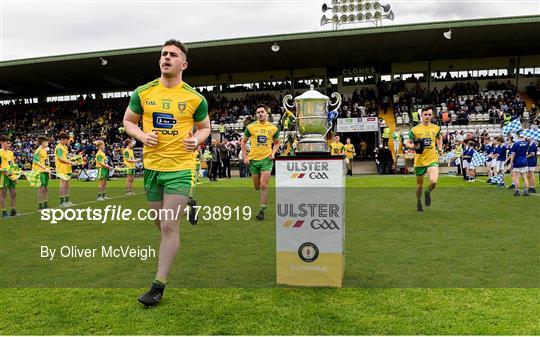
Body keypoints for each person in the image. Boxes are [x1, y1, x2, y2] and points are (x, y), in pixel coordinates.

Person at [123, 39, 210, 307]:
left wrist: (196, 140)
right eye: (163, 54)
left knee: (170, 226)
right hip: (152, 169)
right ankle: (188, 204)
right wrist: (140, 135)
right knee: (159, 224)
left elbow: (205, 127)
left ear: (183, 64)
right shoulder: (143, 92)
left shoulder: (195, 98)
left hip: (180, 168)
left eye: (173, 55)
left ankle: (157, 286)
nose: (166, 58)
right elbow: (128, 121)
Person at [241, 104, 279, 221]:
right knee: (257, 186)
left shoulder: (273, 128)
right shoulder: (251, 127)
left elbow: (277, 143)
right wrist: (245, 157)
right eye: (258, 112)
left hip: (267, 160)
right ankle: (258, 190)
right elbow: (243, 142)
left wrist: (273, 153)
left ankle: (262, 210)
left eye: (262, 112)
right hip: (253, 160)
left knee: (264, 184)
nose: (260, 114)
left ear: (267, 113)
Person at [405, 106, 443, 212]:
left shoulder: (436, 128)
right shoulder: (415, 130)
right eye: (425, 114)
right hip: (420, 161)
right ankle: (418, 201)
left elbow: (439, 137)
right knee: (419, 186)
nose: (427, 116)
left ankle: (428, 192)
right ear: (421, 115)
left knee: (434, 181)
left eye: (429, 114)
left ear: (432, 116)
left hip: (432, 159)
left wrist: (439, 147)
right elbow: (408, 142)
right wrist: (413, 147)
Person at [55, 132, 76, 207]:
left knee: (67, 184)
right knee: (63, 184)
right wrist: (70, 161)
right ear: (62, 139)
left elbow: (66, 157)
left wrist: (73, 160)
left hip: (67, 168)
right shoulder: (59, 147)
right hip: (62, 168)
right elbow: (60, 159)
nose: (67, 141)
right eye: (66, 140)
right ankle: (61, 202)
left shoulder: (65, 147)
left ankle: (67, 201)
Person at [0, 135, 17, 217]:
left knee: (14, 193)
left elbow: (12, 165)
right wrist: (5, 172)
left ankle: (13, 211)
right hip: (3, 176)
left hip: (11, 176)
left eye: (9, 143)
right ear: (1, 143)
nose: (9, 145)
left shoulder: (11, 153)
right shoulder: (0, 153)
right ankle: (3, 212)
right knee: (3, 194)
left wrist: (15, 176)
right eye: (7, 143)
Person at [32, 136, 51, 210]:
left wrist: (48, 170)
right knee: (41, 188)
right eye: (46, 142)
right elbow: (36, 161)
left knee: (45, 188)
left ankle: (45, 205)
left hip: (45, 171)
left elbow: (46, 162)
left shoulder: (45, 150)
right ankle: (40, 206)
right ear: (43, 142)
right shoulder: (38, 151)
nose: (47, 143)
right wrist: (45, 168)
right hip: (40, 172)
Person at [508, 131, 529, 196]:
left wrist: (510, 163)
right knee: (524, 177)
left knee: (516, 177)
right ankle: (526, 191)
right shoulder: (526, 143)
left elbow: (513, 154)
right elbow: (526, 153)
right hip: (524, 161)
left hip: (517, 162)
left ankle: (517, 191)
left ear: (517, 135)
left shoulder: (515, 144)